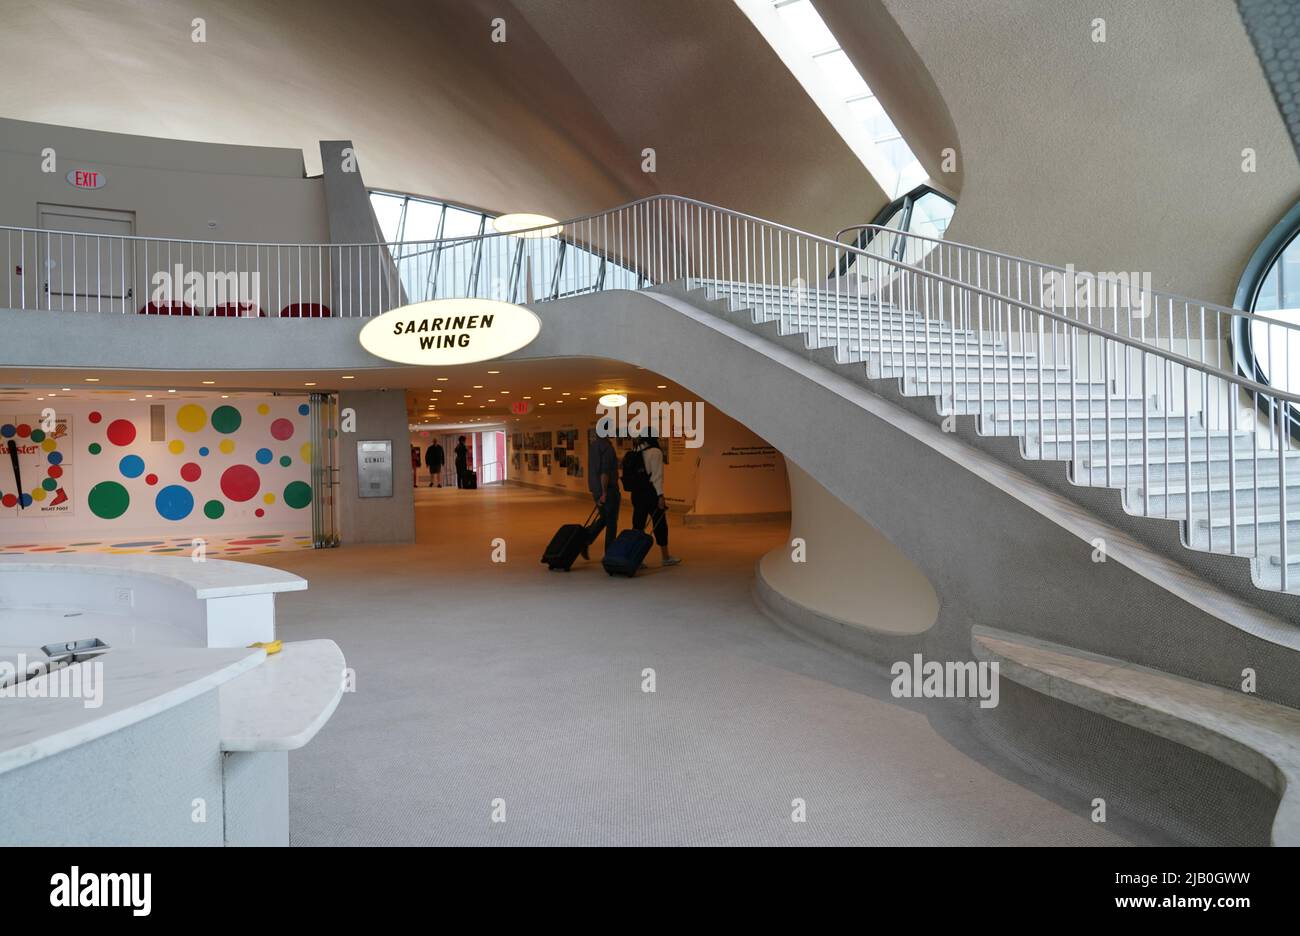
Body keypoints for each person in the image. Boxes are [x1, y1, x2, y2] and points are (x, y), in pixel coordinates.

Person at [629, 434, 679, 567]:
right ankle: (665, 557)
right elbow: (657, 476)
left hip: (637, 494)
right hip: (651, 494)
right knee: (660, 524)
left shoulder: (636, 450)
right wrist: (660, 496)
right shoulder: (656, 452)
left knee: (638, 525)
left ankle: (637, 558)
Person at [585, 432, 620, 558]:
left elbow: (594, 470)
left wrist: (597, 492)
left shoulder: (593, 446)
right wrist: (604, 492)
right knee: (611, 523)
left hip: (596, 490)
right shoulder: (607, 448)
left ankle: (586, 539)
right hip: (608, 490)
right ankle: (609, 554)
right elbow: (604, 472)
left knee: (605, 518)